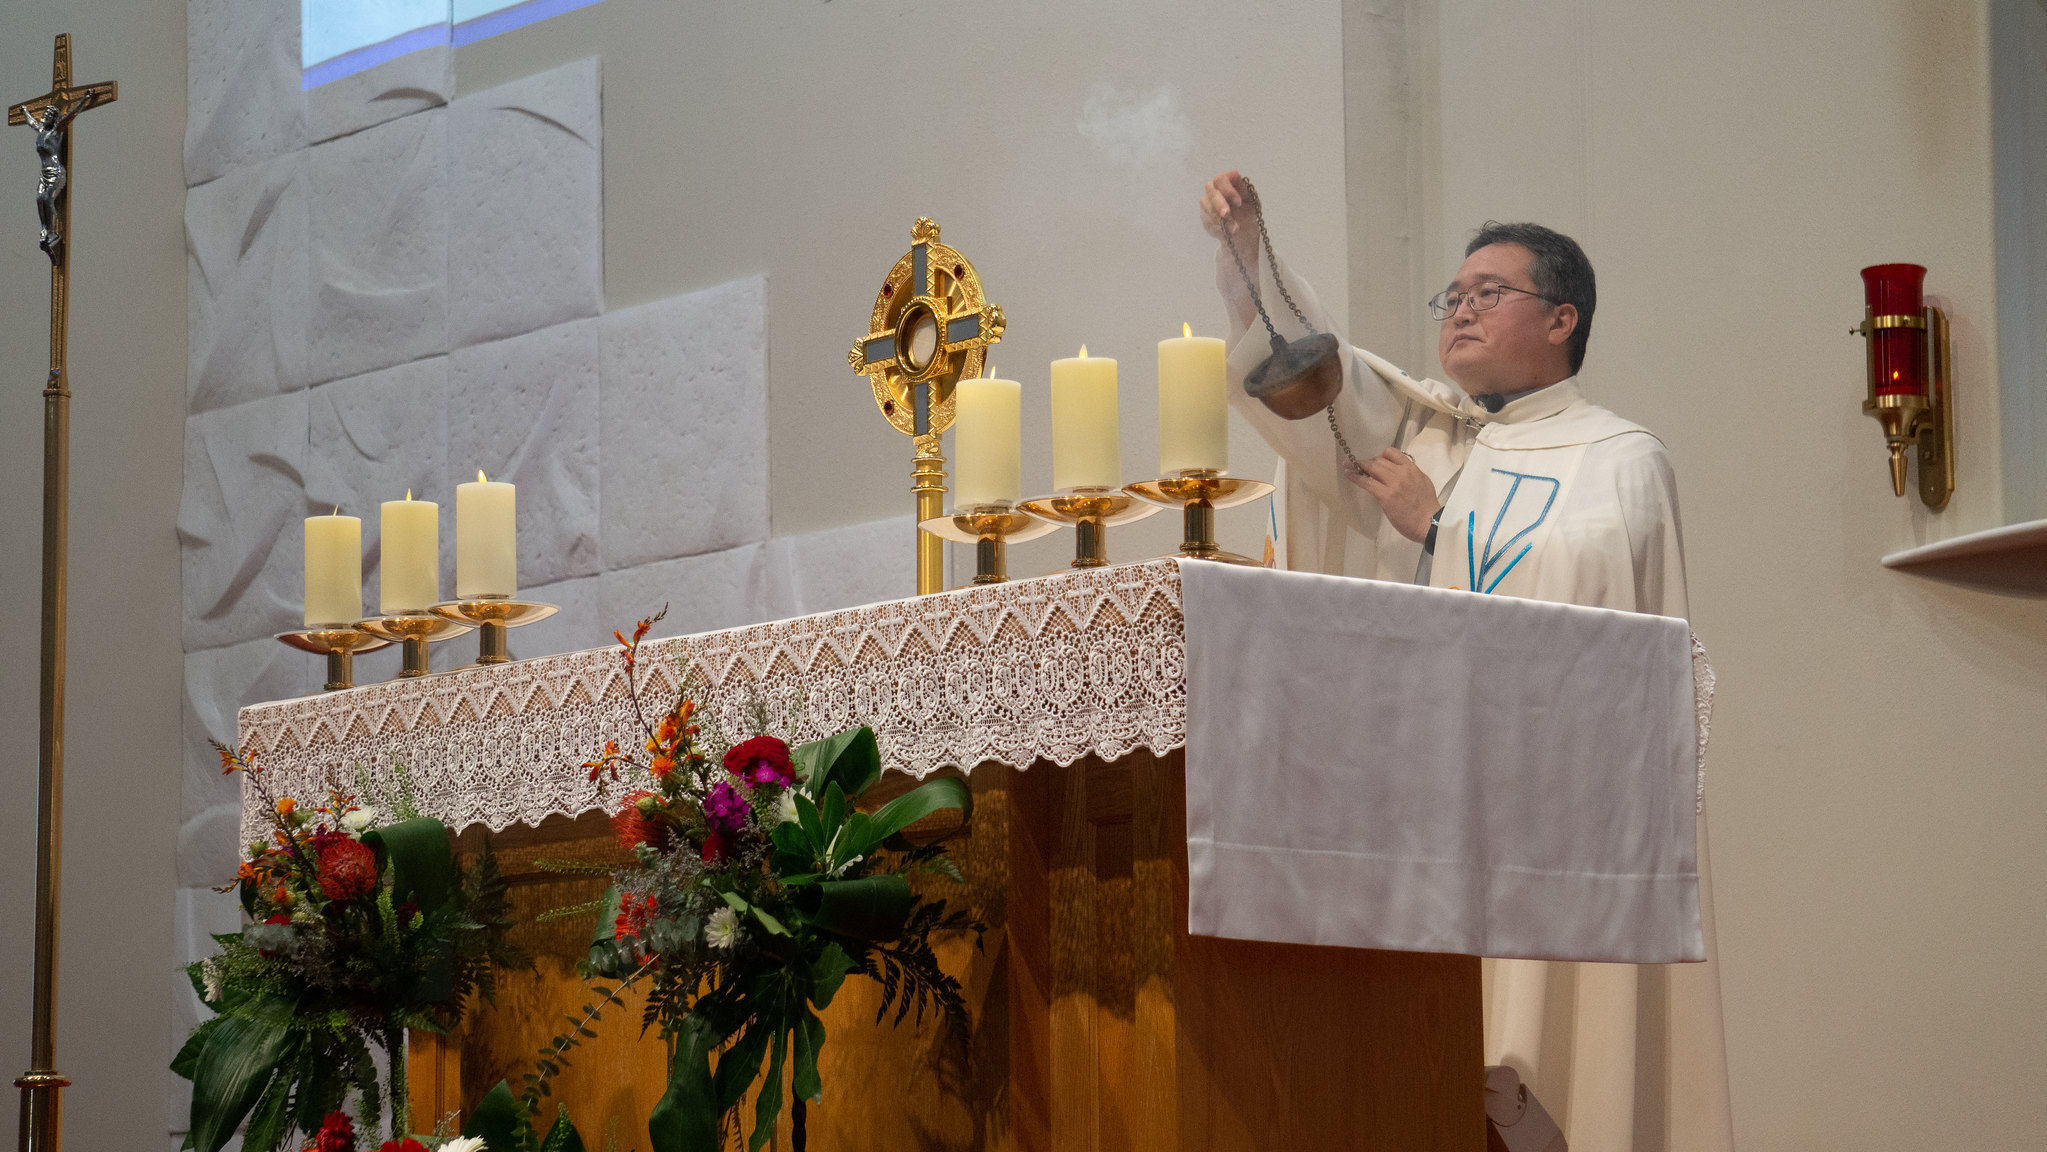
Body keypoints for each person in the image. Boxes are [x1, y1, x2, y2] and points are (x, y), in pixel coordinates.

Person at [1199, 169, 1732, 1152]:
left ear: (1562, 318)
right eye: (1452, 296)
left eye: (1490, 293)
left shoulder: (1618, 457)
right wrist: (1249, 257)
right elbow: (1312, 383)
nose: (1460, 313)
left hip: (1549, 831)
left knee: (1534, 1090)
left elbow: (1596, 630)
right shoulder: (1428, 434)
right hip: (1421, 821)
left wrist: (1440, 530)